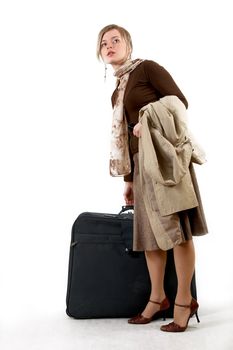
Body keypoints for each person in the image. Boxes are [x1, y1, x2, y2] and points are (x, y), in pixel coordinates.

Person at [96, 24, 208, 332]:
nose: (109, 45)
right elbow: (126, 136)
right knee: (148, 235)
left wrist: (148, 120)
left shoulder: (147, 69)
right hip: (140, 163)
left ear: (128, 45)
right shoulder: (117, 91)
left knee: (176, 231)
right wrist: (128, 180)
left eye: (116, 40)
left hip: (164, 160)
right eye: (103, 43)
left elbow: (178, 102)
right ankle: (158, 297)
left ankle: (184, 301)